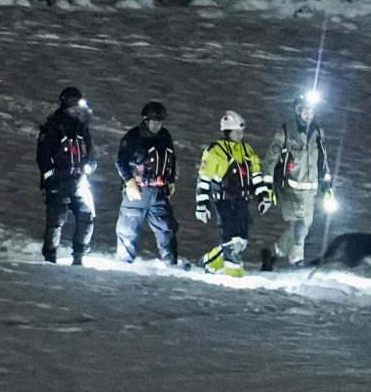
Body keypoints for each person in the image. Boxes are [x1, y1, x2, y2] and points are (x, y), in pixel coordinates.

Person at [260, 92, 332, 271]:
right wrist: (267, 186)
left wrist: (327, 187)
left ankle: (273, 253)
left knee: (304, 228)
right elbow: (270, 159)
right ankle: (296, 261)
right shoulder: (285, 131)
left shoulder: (318, 132)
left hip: (310, 191)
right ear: (298, 111)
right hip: (290, 189)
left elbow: (322, 160)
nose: (309, 114)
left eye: (312, 111)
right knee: (299, 227)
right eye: (306, 110)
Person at [195, 110, 271, 277]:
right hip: (223, 201)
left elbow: (256, 175)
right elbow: (204, 179)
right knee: (231, 240)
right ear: (228, 131)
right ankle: (233, 275)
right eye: (237, 131)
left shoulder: (247, 150)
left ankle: (210, 261)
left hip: (243, 201)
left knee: (242, 241)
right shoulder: (215, 151)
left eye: (241, 131)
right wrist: (202, 205)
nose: (240, 134)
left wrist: (263, 196)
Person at [37, 86, 97, 265]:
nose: (78, 110)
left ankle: (78, 256)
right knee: (55, 222)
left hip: (79, 180)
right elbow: (42, 157)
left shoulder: (81, 127)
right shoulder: (53, 127)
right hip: (58, 182)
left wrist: (90, 164)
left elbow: (89, 151)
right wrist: (51, 178)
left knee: (87, 217)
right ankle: (50, 257)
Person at [114, 101, 179, 266]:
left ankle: (171, 263)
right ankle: (124, 263)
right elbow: (121, 161)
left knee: (166, 227)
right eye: (154, 121)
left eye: (160, 121)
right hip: (138, 190)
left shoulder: (165, 136)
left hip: (159, 191)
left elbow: (171, 159)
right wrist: (129, 182)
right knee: (128, 227)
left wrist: (171, 181)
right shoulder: (133, 136)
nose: (157, 125)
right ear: (146, 120)